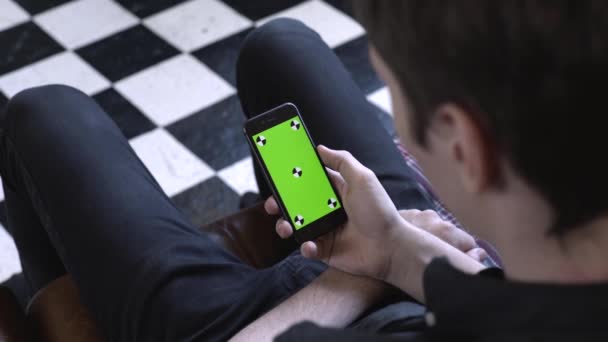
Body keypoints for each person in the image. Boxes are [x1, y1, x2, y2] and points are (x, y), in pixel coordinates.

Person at [1, 3, 606, 342]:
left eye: (393, 90)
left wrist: (354, 279)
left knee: (42, 112)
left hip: (295, 313)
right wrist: (395, 246)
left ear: (465, 146)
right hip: (424, 255)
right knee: (280, 45)